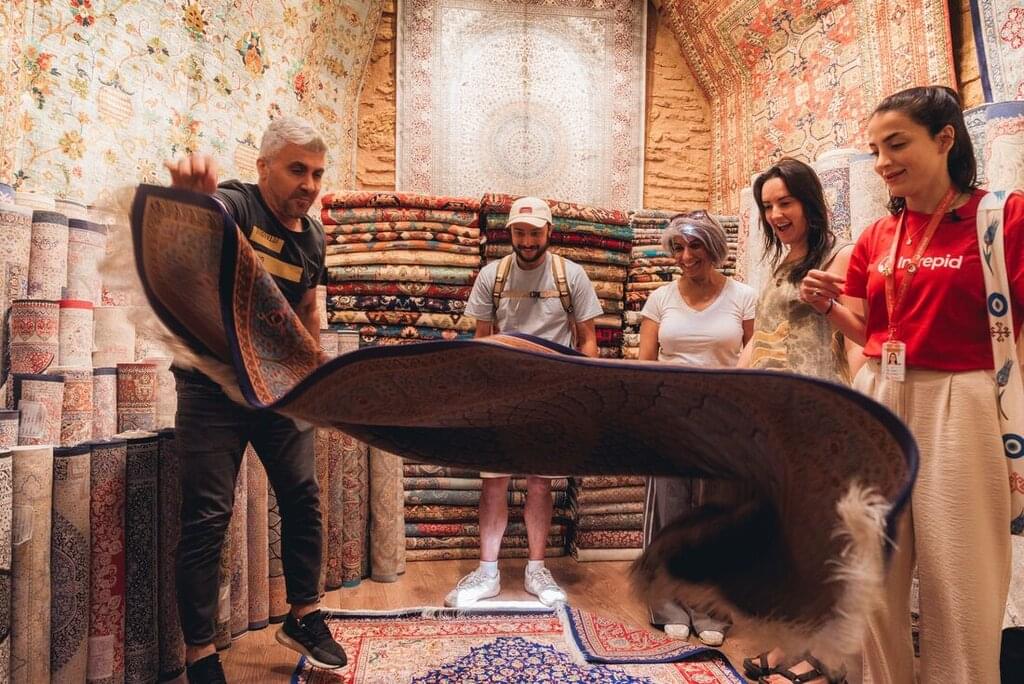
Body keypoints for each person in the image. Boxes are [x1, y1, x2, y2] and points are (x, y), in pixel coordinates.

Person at [802, 85, 1024, 684]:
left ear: (945, 138)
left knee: (961, 575)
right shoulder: (878, 234)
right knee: (871, 570)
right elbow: (871, 330)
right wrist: (828, 308)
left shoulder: (1003, 217)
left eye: (896, 144)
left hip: (961, 399)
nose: (882, 162)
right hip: (880, 396)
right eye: (875, 149)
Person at [164, 117, 347, 683]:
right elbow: (199, 238)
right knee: (207, 518)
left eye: (317, 173)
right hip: (211, 387)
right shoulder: (237, 205)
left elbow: (308, 311)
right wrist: (190, 207)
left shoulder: (312, 236)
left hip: (278, 386)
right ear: (264, 167)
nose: (309, 184)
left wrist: (314, 379)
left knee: (303, 497)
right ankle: (200, 655)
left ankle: (304, 615)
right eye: (297, 170)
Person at [448, 196, 602, 607]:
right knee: (493, 481)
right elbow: (482, 337)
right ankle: (487, 572)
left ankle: (537, 569)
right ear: (510, 233)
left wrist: (582, 389)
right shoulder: (493, 276)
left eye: (535, 233)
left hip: (551, 395)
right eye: (520, 232)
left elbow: (587, 339)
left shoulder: (571, 275)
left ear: (549, 231)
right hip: (502, 392)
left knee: (540, 481)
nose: (528, 241)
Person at [738, 158, 857, 683]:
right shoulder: (782, 263)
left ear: (809, 201)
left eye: (785, 202)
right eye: (768, 206)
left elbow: (859, 332)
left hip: (819, 413)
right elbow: (762, 339)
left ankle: (826, 657)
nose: (776, 214)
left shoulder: (839, 255)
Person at [638, 211, 756, 647]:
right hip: (672, 417)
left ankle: (710, 606)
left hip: (723, 421)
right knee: (670, 510)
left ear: (714, 247)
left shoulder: (743, 297)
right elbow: (646, 362)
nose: (686, 256)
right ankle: (667, 601)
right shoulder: (661, 299)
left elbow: (757, 353)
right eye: (678, 247)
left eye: (695, 246)